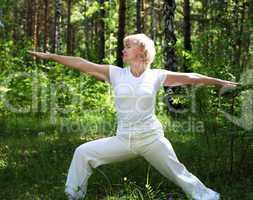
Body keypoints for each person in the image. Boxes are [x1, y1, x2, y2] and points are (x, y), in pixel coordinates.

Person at [28, 33, 239, 200]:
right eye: (124, 46)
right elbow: (82, 63)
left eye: (128, 46)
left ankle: (206, 197)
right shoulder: (115, 73)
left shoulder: (157, 76)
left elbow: (192, 78)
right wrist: (52, 56)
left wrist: (220, 82)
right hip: (124, 140)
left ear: (142, 51)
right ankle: (72, 195)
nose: (123, 49)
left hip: (151, 139)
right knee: (83, 153)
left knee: (178, 172)